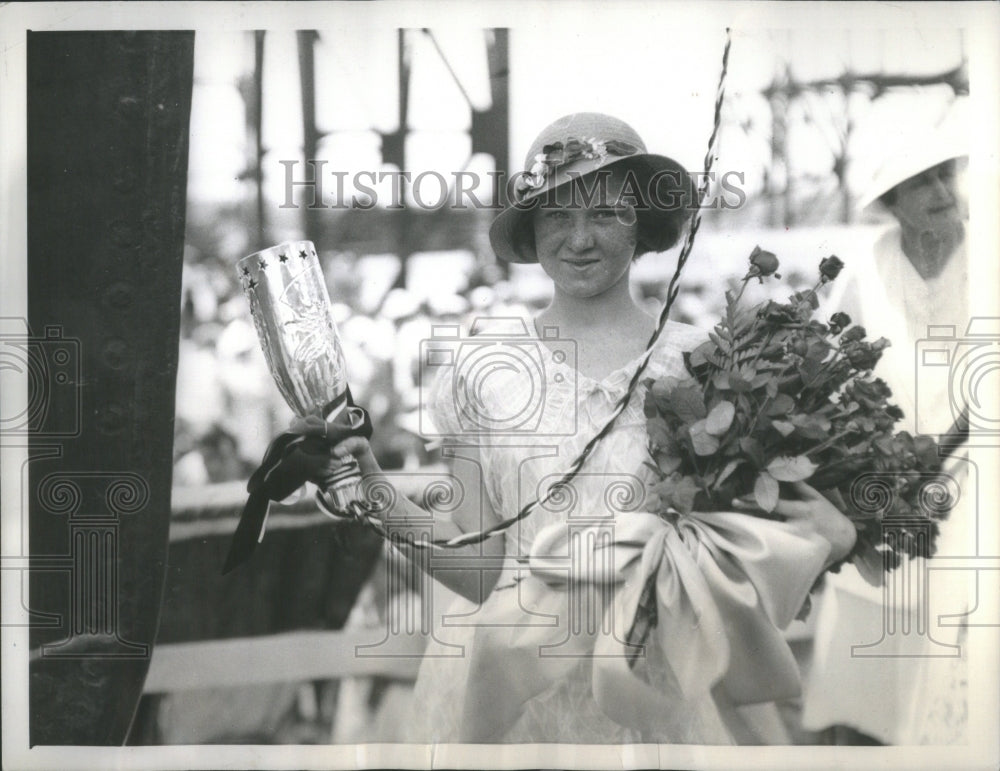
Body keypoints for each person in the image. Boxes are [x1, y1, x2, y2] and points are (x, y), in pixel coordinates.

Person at [299, 113, 856, 743]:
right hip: (512, 700)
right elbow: (481, 570)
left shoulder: (709, 365)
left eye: (605, 213)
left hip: (653, 692)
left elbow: (747, 546)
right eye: (557, 216)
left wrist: (833, 534)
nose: (579, 238)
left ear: (641, 222)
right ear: (532, 232)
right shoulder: (482, 370)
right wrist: (373, 487)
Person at [801, 116, 971, 745]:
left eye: (944, 174)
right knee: (866, 695)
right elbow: (824, 383)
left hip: (982, 494)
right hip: (885, 496)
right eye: (919, 182)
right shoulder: (862, 273)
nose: (940, 192)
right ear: (891, 201)